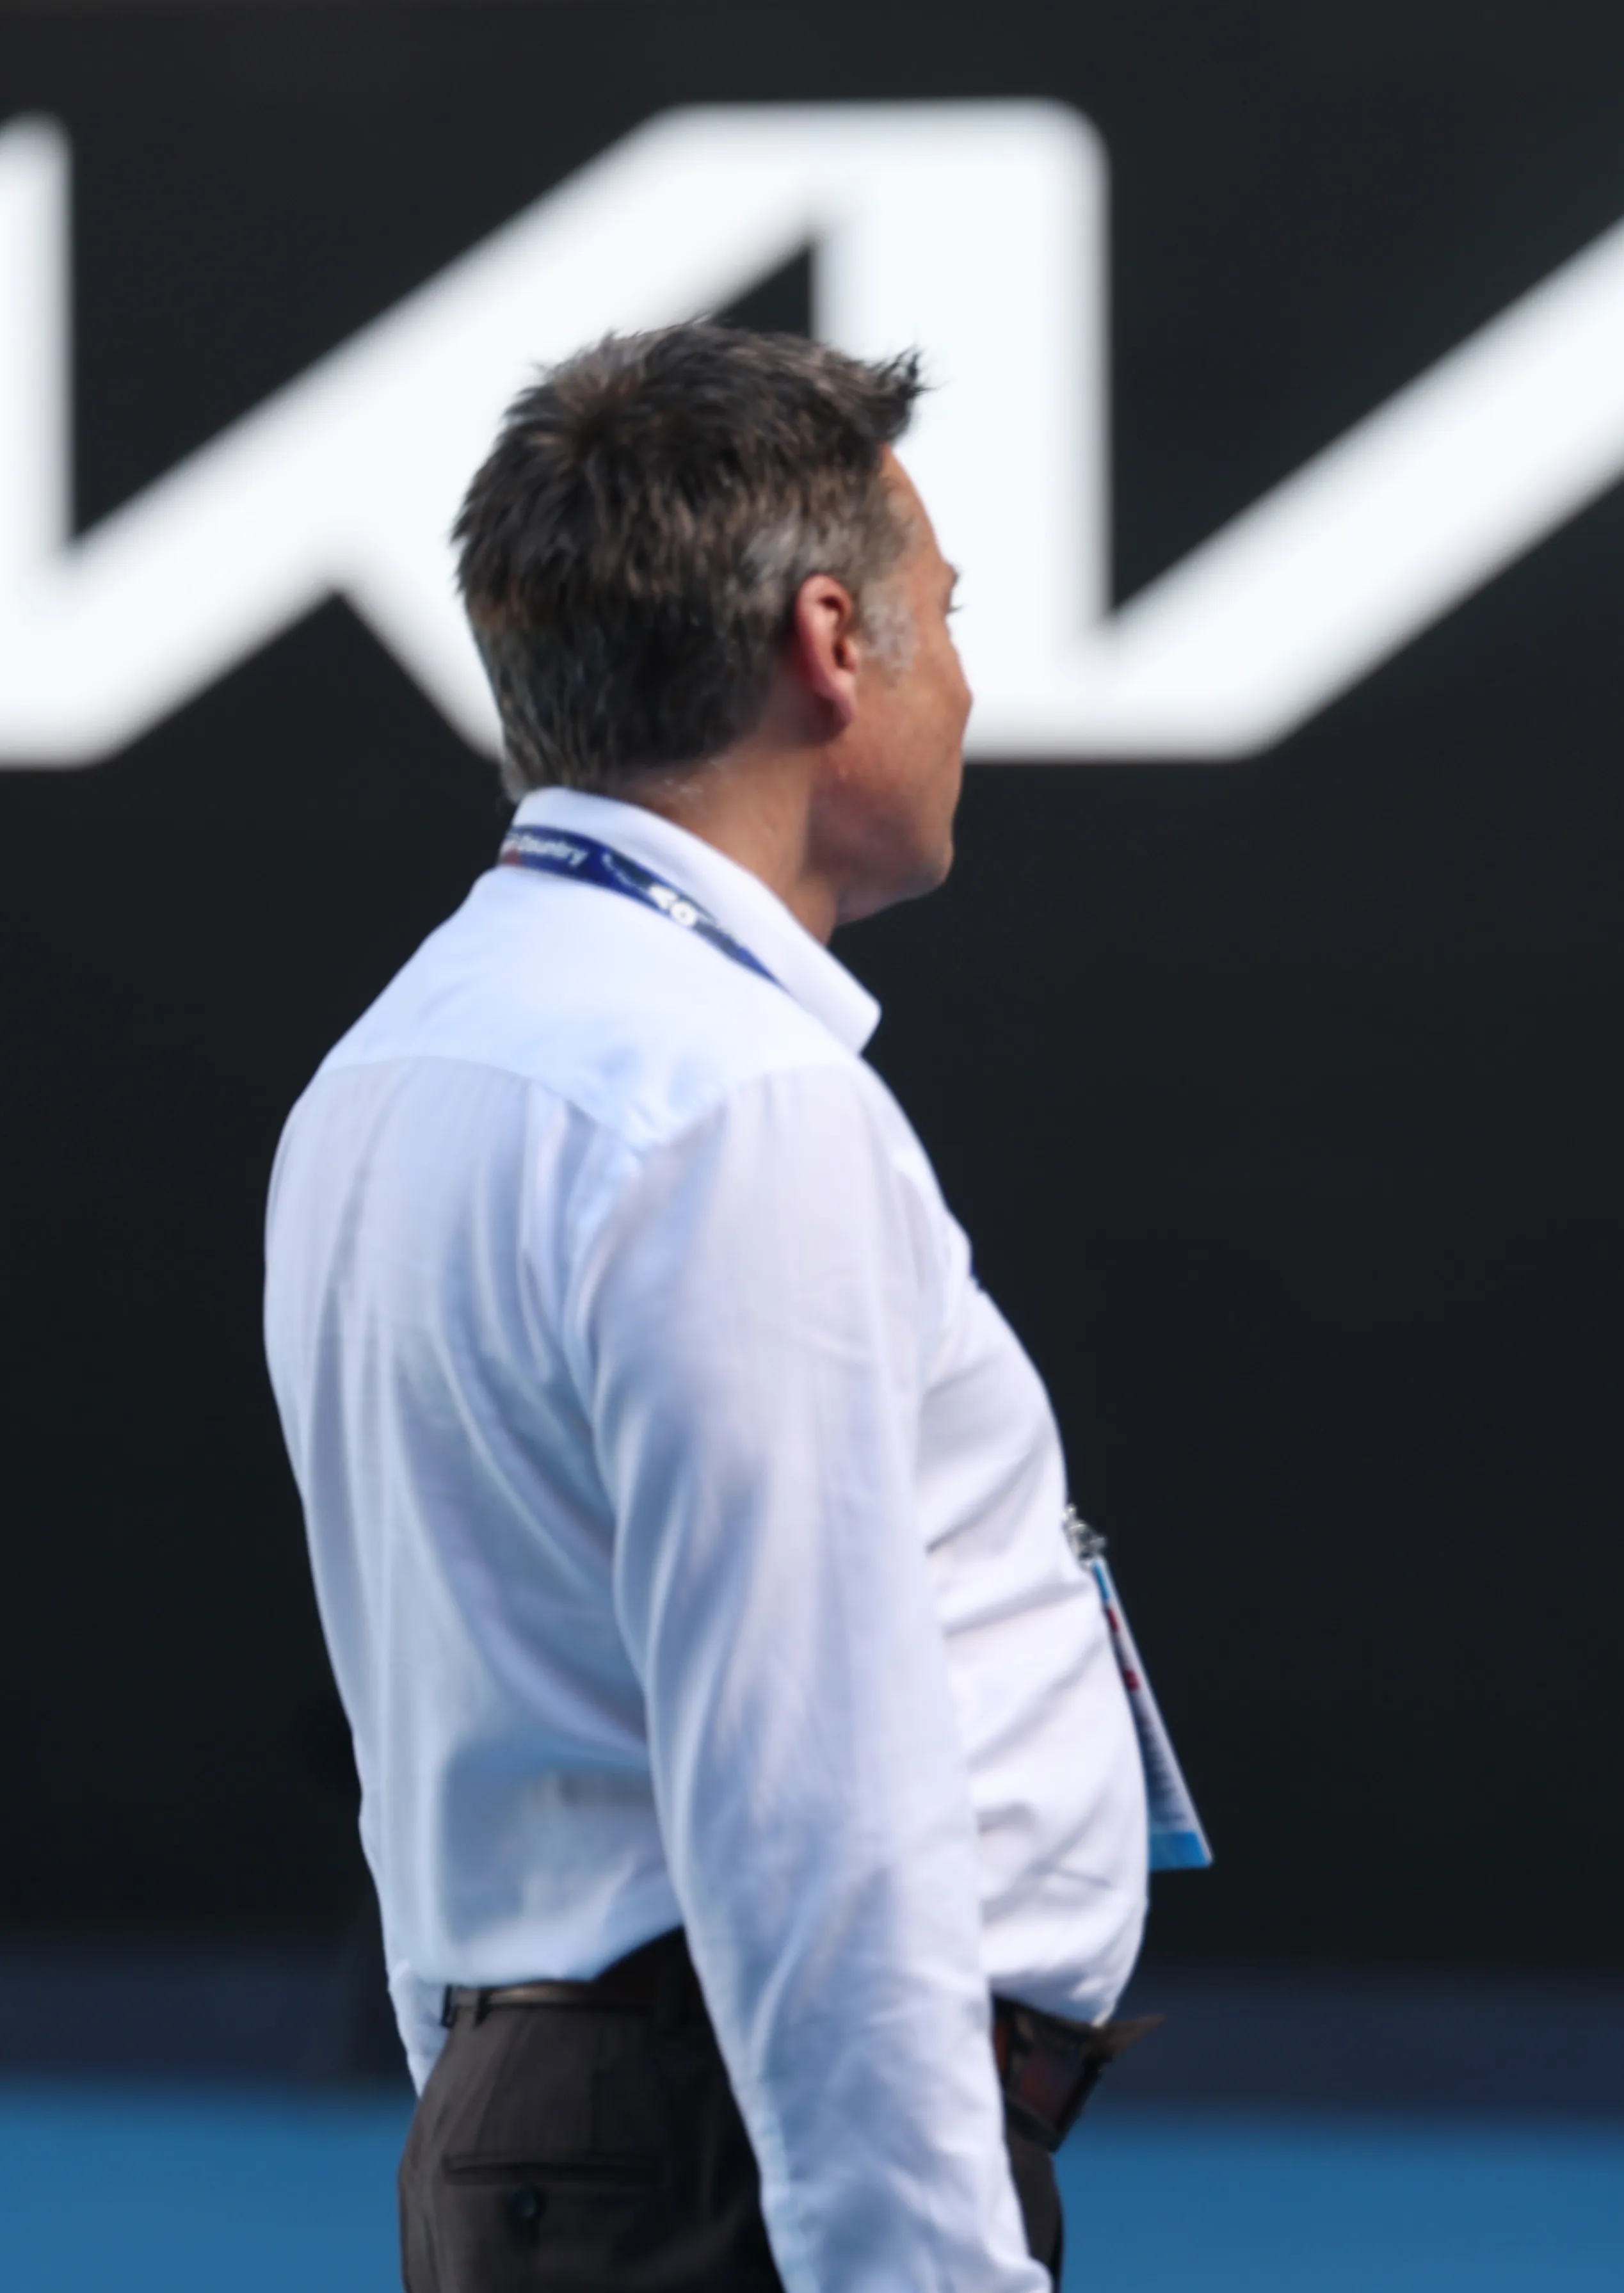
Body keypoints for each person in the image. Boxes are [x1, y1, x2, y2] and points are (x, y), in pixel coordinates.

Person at [264, 321, 1204, 2292]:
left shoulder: (394, 1062)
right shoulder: (727, 1101)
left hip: (559, 2144)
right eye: (949, 614)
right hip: (738, 2180)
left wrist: (504, 2136)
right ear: (829, 641)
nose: (968, 681)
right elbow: (818, 1813)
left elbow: (431, 1739)